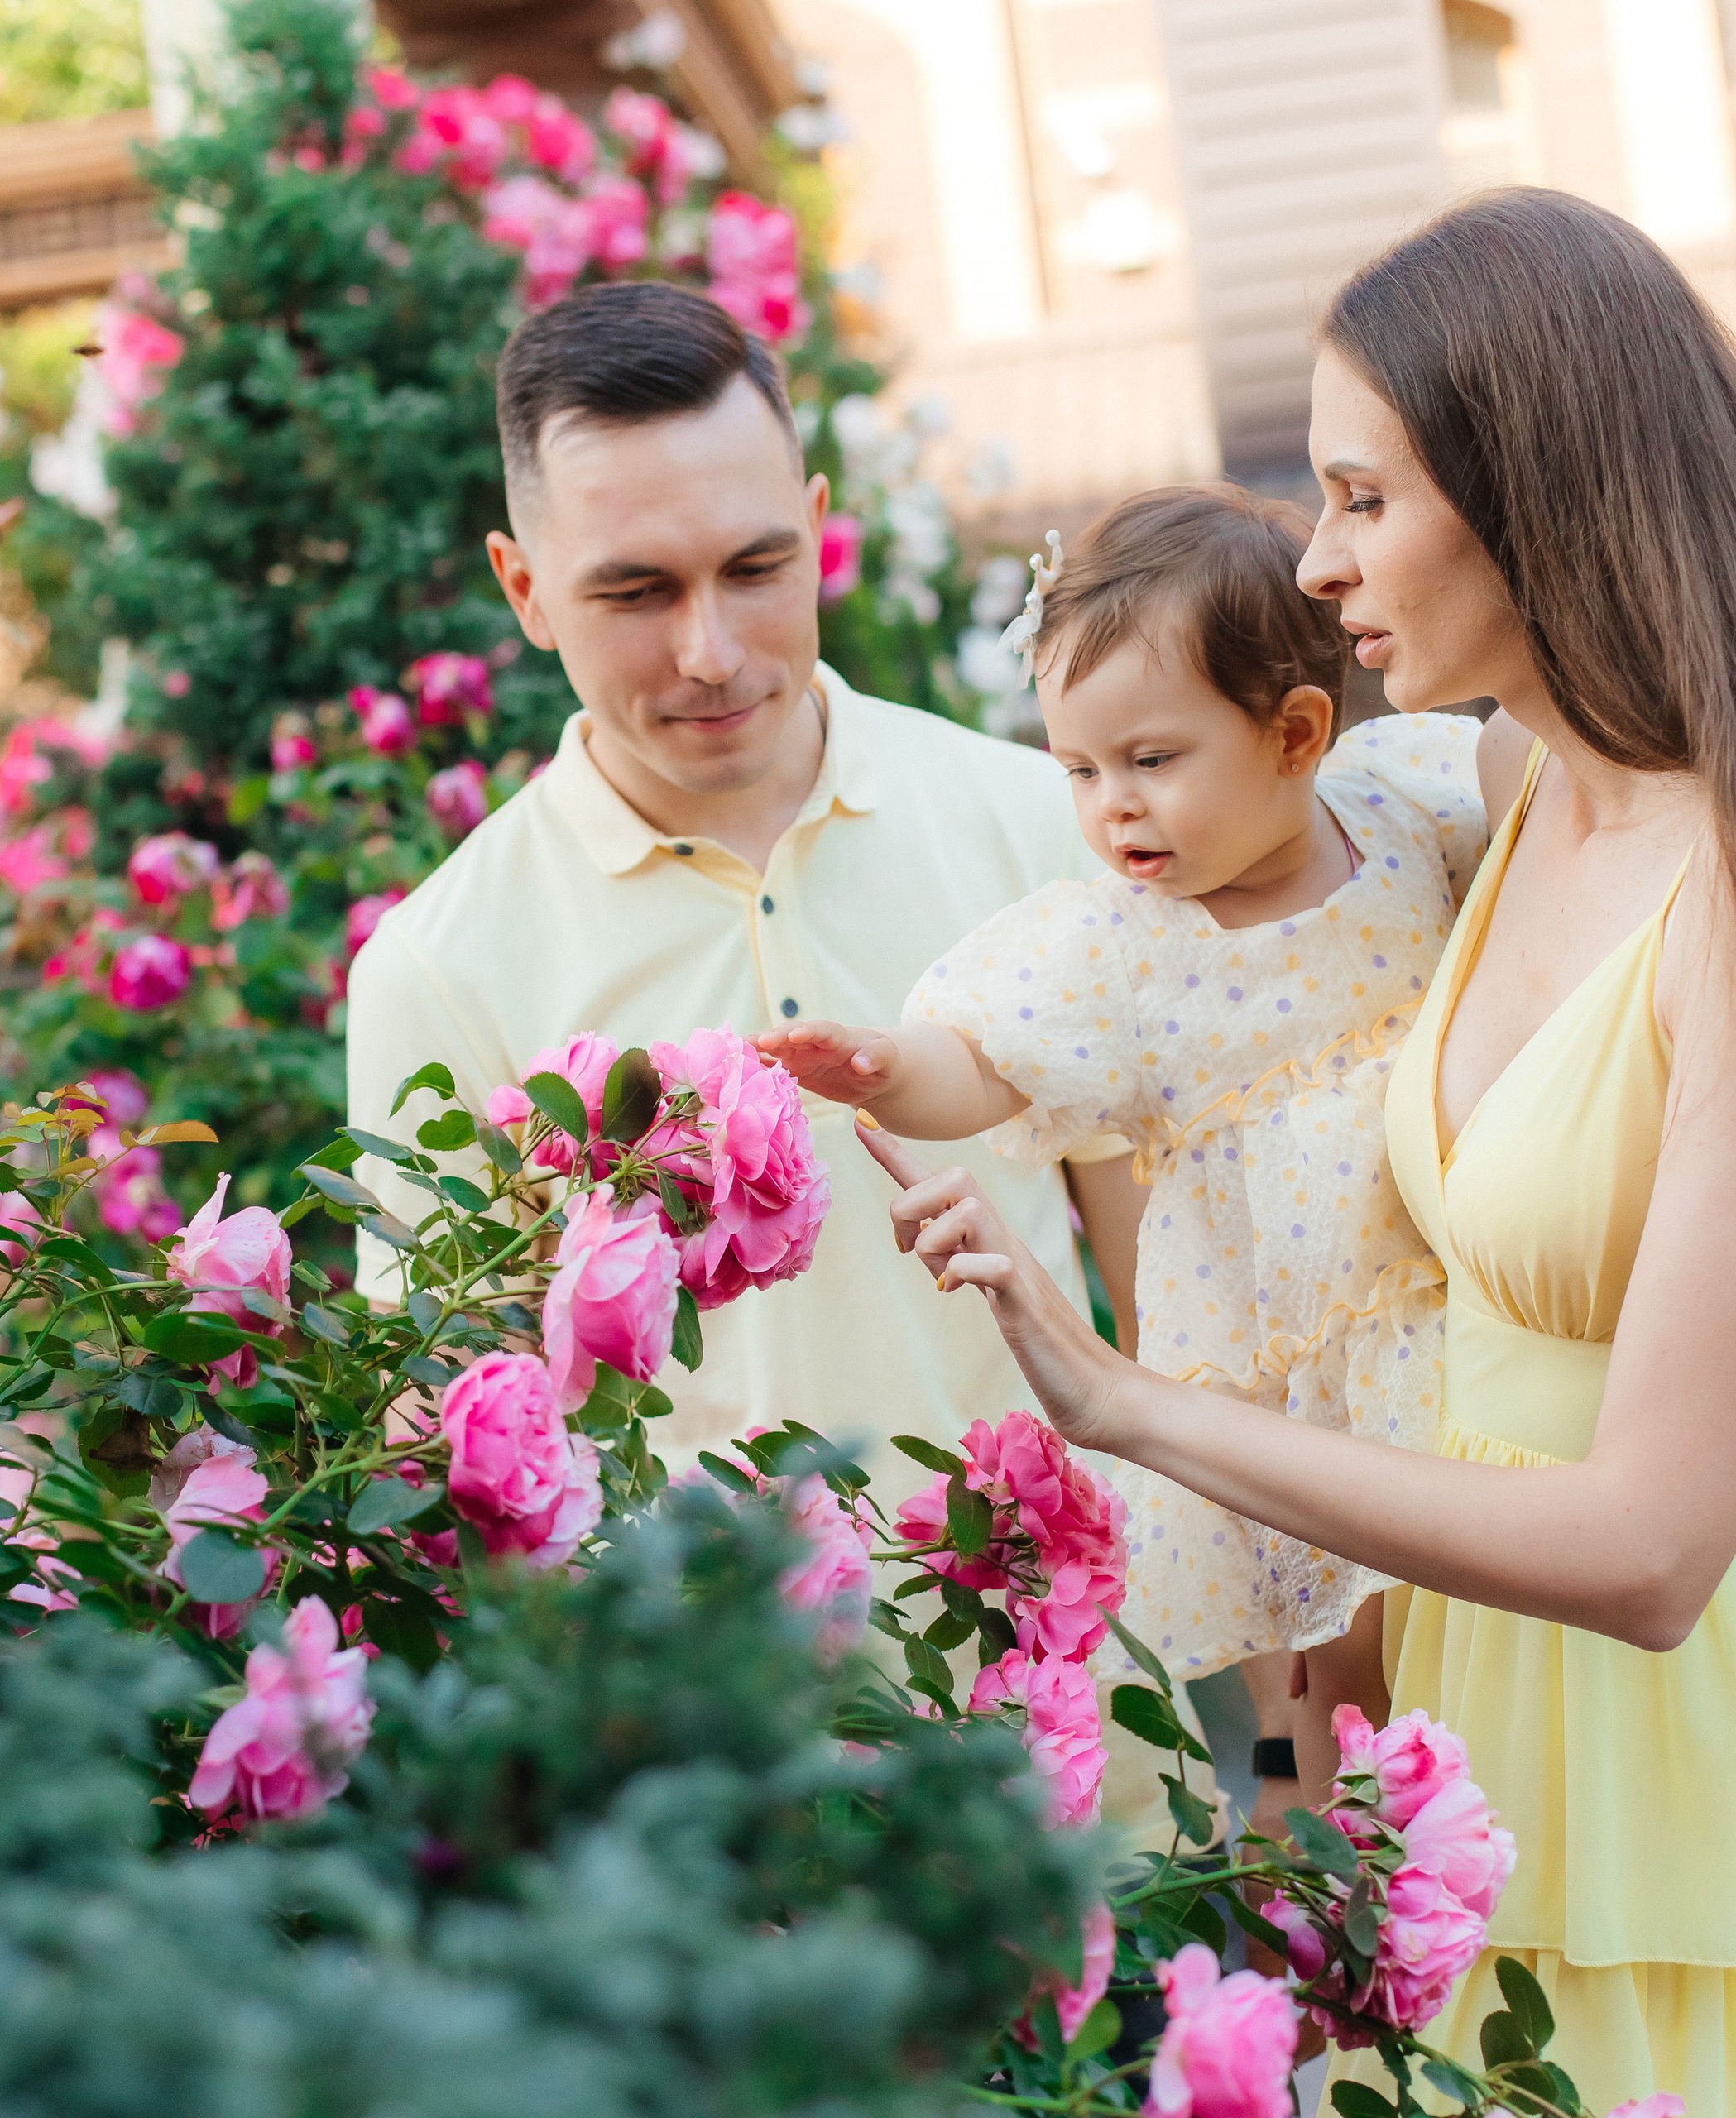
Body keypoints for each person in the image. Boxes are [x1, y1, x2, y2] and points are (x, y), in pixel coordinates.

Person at [848, 189, 1736, 2114]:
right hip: (1454, 1692)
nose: (1313, 565)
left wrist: (1129, 1408)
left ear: (1537, 489)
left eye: (1357, 498)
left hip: (1670, 1742)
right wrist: (1352, 1622)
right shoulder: (1500, 800)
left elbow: (1652, 1544)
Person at [342, 279, 1187, 1809]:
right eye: (636, 592)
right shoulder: (439, 970)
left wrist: (1277, 1721)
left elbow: (1184, 1308)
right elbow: (458, 1457)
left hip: (1102, 1779)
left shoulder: (1038, 824)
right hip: (723, 1825)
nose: (715, 650)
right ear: (523, 589)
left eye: (755, 567)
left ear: (818, 526)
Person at [756, 485, 1486, 1728]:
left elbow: (1542, 834)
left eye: (1152, 761)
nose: (1112, 806)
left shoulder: (1405, 809)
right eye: (1080, 768)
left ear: (1299, 734)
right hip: (1282, 1395)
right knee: (1334, 1672)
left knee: (1483, 1640)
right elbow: (988, 1055)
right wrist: (888, 1065)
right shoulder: (1120, 947)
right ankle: (1319, 1878)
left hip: (1453, 1323)